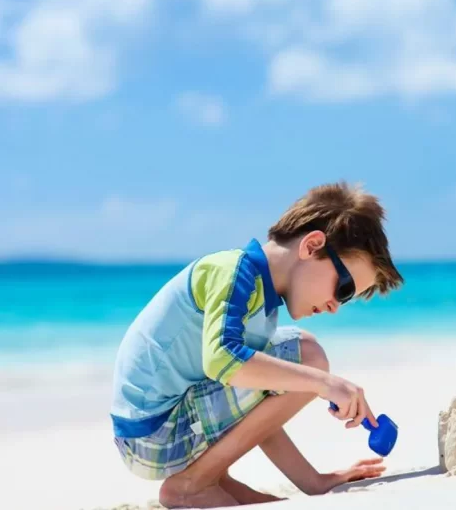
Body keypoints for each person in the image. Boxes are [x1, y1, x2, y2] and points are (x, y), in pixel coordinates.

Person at [109, 182, 405, 508]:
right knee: (309, 357)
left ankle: (213, 477)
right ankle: (193, 484)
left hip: (164, 430)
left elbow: (258, 410)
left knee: (297, 357)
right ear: (312, 245)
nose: (336, 305)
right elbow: (221, 360)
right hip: (153, 435)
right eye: (344, 288)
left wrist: (313, 481)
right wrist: (323, 382)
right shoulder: (234, 273)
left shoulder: (263, 305)